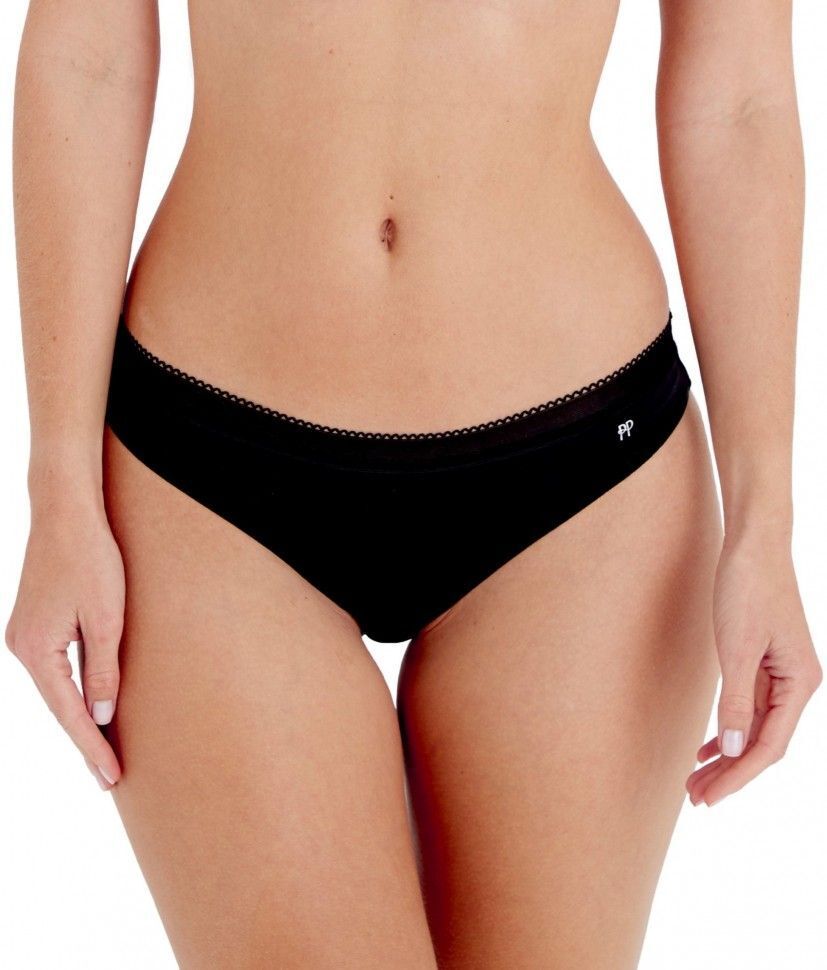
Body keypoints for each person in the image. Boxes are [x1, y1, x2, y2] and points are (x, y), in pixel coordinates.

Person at [6, 1, 822, 967]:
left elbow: (737, 99)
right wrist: (58, 486)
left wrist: (765, 525)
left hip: (581, 492)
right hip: (208, 478)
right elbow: (87, 53)